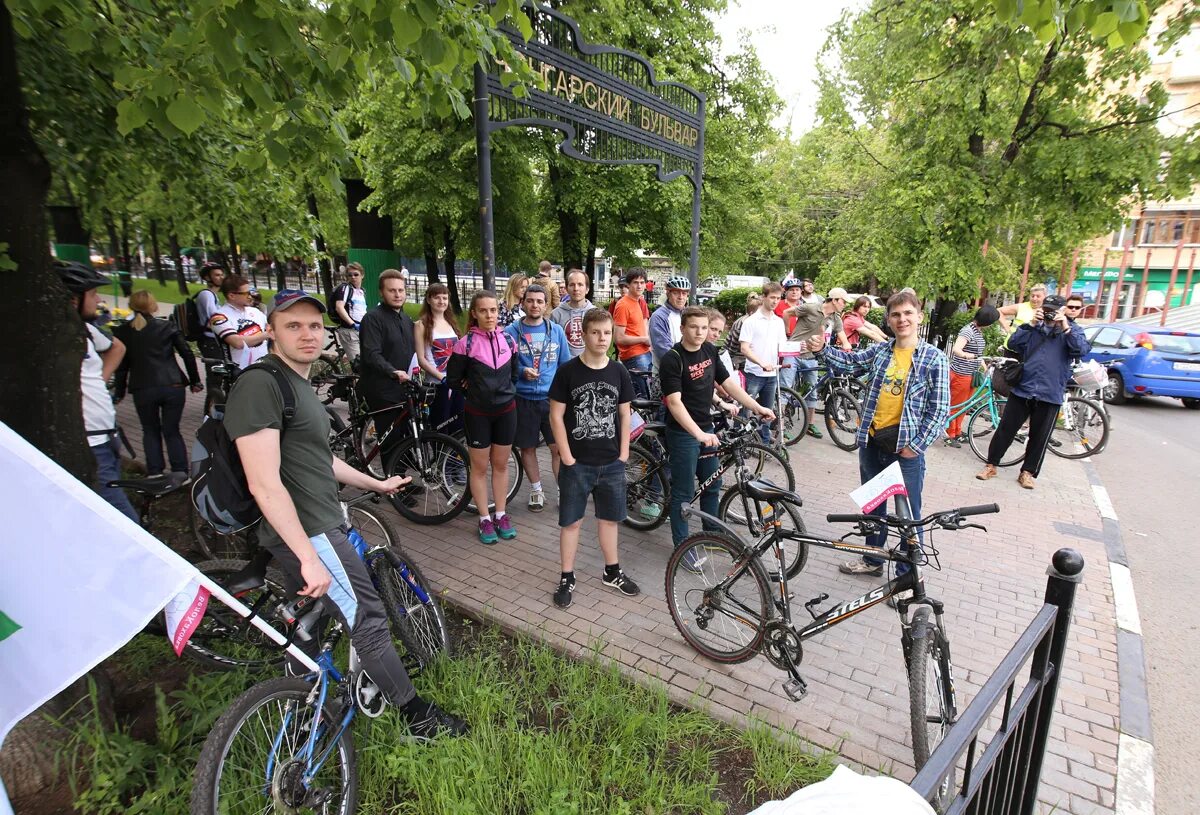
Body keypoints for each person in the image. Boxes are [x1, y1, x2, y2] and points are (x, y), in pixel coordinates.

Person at [225, 289, 467, 739]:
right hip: (309, 530)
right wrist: (307, 555)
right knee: (368, 619)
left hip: (318, 521)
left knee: (313, 622)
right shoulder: (261, 384)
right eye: (293, 325)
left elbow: (320, 458)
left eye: (314, 325)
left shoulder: (295, 382)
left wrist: (375, 483)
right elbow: (263, 483)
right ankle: (417, 716)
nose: (307, 334)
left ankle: (302, 711)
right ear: (271, 332)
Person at [807, 292, 949, 596]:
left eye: (908, 313)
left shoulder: (933, 358)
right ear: (889, 319)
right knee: (873, 507)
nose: (902, 320)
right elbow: (849, 363)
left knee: (908, 516)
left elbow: (939, 410)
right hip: (872, 443)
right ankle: (873, 559)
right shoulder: (882, 351)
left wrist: (917, 446)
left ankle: (907, 578)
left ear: (919, 317)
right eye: (896, 315)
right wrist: (822, 351)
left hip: (905, 449)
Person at [661, 307, 775, 556]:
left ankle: (711, 535)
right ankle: (682, 548)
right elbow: (675, 403)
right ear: (682, 329)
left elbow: (728, 384)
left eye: (704, 327)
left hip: (706, 427)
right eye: (694, 327)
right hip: (683, 432)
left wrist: (756, 407)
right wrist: (698, 434)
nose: (700, 332)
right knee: (684, 490)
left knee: (712, 484)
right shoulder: (673, 358)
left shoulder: (710, 351)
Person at [548, 307, 638, 608]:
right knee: (571, 521)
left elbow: (625, 413)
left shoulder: (619, 371)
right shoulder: (568, 372)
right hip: (578, 463)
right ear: (584, 334)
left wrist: (624, 452)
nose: (602, 338)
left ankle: (612, 571)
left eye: (607, 332)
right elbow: (556, 416)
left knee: (610, 519)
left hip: (611, 461)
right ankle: (567, 575)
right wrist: (567, 455)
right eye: (596, 332)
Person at [977, 294, 1090, 489]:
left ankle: (1027, 473)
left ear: (1062, 311)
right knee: (1005, 430)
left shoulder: (1073, 330)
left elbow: (1081, 350)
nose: (1049, 313)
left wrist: (1065, 326)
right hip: (1024, 388)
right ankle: (991, 465)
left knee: (1039, 437)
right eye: (1046, 310)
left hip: (1051, 392)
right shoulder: (1034, 327)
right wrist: (1030, 323)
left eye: (1053, 310)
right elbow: (1012, 343)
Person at [55, 261, 137, 523]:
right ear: (72, 299)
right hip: (89, 442)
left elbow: (118, 347)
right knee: (124, 524)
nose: (98, 299)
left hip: (107, 437)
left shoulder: (85, 330)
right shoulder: (53, 337)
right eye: (92, 294)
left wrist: (100, 381)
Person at [445, 291, 520, 544]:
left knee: (500, 465)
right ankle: (484, 519)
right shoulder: (464, 344)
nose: (490, 315)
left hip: (506, 412)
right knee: (479, 468)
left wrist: (507, 393)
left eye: (494, 310)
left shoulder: (509, 340)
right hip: (478, 414)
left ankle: (501, 514)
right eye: (484, 311)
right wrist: (473, 391)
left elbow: (515, 375)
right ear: (474, 313)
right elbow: (453, 380)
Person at [113, 291, 202, 483]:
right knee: (172, 429)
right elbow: (187, 354)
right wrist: (195, 381)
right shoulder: (167, 327)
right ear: (153, 306)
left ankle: (155, 471)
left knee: (150, 429)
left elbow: (122, 367)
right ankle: (181, 471)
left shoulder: (122, 332)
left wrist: (119, 392)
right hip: (172, 384)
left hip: (142, 387)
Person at [505, 284, 568, 513]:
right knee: (528, 447)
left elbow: (564, 366)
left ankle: (563, 490)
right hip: (523, 398)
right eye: (530, 301)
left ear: (546, 304)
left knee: (558, 448)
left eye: (539, 301)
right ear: (523, 303)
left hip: (551, 400)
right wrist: (522, 371)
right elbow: (506, 364)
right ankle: (536, 489)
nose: (535, 305)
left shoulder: (556, 331)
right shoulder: (511, 332)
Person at [358, 269, 418, 458]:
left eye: (401, 290)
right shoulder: (373, 318)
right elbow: (371, 354)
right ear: (381, 292)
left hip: (403, 387)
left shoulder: (406, 319)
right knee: (390, 439)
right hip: (382, 388)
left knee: (405, 436)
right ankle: (392, 483)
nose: (397, 294)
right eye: (392, 290)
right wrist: (393, 372)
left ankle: (403, 480)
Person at [783, 287, 852, 440]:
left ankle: (809, 424)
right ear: (834, 300)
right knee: (785, 388)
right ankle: (779, 427)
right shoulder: (811, 307)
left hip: (812, 355)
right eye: (843, 301)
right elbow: (787, 313)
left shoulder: (835, 318)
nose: (845, 304)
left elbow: (843, 337)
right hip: (793, 352)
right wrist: (787, 331)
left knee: (812, 392)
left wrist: (847, 346)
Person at [738, 282, 787, 443]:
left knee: (767, 412)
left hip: (772, 374)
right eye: (772, 297)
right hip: (754, 373)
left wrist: (798, 347)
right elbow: (744, 348)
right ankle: (742, 441)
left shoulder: (778, 322)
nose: (775, 301)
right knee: (746, 410)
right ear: (764, 297)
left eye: (778, 298)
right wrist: (761, 363)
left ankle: (764, 444)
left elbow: (783, 347)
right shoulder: (751, 321)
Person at [945, 305, 1000, 446]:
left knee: (965, 405)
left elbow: (978, 354)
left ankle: (957, 431)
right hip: (961, 373)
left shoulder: (978, 331)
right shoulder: (968, 330)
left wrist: (983, 364)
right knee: (956, 405)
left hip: (971, 375)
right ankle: (949, 433)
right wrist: (968, 356)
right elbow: (957, 349)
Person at [414, 282, 463, 433]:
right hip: (437, 385)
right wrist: (441, 377)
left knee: (458, 424)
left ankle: (454, 457)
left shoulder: (451, 322)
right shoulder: (421, 325)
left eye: (445, 298)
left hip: (456, 384)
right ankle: (440, 456)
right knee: (440, 425)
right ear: (428, 299)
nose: (441, 301)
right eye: (437, 298)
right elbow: (421, 358)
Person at [210, 274, 268, 370]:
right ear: (232, 295)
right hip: (240, 370)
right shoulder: (219, 317)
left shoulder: (255, 311)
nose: (250, 296)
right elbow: (238, 343)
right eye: (246, 293)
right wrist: (268, 334)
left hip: (265, 366)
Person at [612, 268, 654, 398]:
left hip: (645, 353)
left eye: (642, 282)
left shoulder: (637, 302)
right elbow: (618, 338)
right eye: (636, 282)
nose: (639, 285)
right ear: (628, 285)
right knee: (644, 397)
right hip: (634, 357)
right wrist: (643, 339)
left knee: (650, 396)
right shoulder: (623, 305)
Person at [195, 262, 225, 414]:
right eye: (216, 275)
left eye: (221, 274)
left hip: (213, 340)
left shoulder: (212, 295)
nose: (220, 278)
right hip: (210, 341)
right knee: (215, 376)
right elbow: (215, 319)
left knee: (219, 374)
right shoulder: (206, 295)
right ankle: (209, 411)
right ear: (207, 277)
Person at [549, 268, 594, 359]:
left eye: (580, 284)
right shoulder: (555, 314)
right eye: (572, 285)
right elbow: (552, 344)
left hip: (590, 363)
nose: (576, 289)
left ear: (587, 289)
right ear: (566, 289)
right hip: (565, 366)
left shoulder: (595, 314)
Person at [329, 262, 367, 362]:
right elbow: (339, 307)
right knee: (358, 365)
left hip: (360, 330)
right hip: (349, 331)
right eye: (350, 275)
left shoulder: (361, 291)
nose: (353, 277)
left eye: (356, 274)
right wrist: (353, 324)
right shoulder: (345, 288)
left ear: (362, 275)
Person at [649, 275, 690, 367]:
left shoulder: (687, 314)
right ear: (668, 293)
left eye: (684, 293)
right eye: (676, 293)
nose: (681, 297)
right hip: (668, 373)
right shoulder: (659, 317)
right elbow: (664, 352)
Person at [998, 283, 1047, 354]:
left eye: (1038, 296)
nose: (1034, 298)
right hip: (1013, 347)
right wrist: (1007, 328)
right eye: (1032, 296)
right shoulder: (1021, 307)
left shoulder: (1047, 311)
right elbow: (999, 311)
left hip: (1032, 351)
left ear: (1044, 297)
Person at [774, 278, 804, 390]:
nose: (795, 292)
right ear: (785, 292)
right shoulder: (778, 305)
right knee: (784, 372)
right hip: (782, 341)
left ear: (801, 292)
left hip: (799, 342)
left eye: (797, 289)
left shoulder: (804, 306)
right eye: (791, 290)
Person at [724, 293, 761, 371]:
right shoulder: (742, 323)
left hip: (748, 355)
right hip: (736, 355)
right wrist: (728, 361)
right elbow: (732, 347)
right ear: (751, 313)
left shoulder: (759, 323)